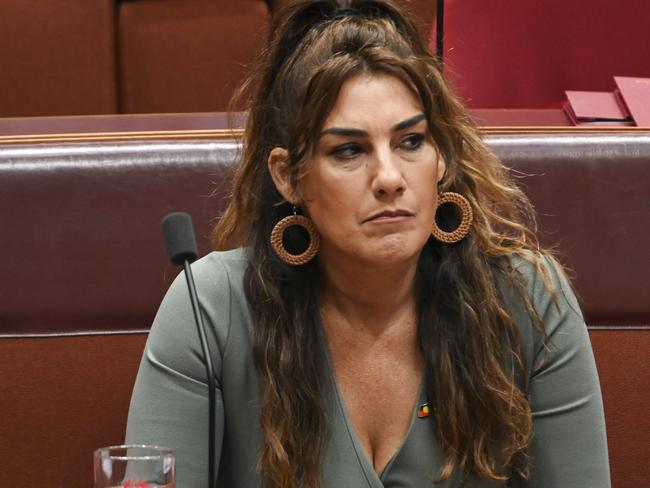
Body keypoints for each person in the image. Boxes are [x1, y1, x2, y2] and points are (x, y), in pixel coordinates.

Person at [125, 1, 610, 486]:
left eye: (411, 141)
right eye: (349, 150)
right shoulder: (209, 307)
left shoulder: (527, 299)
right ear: (289, 177)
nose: (389, 178)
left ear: (442, 157)